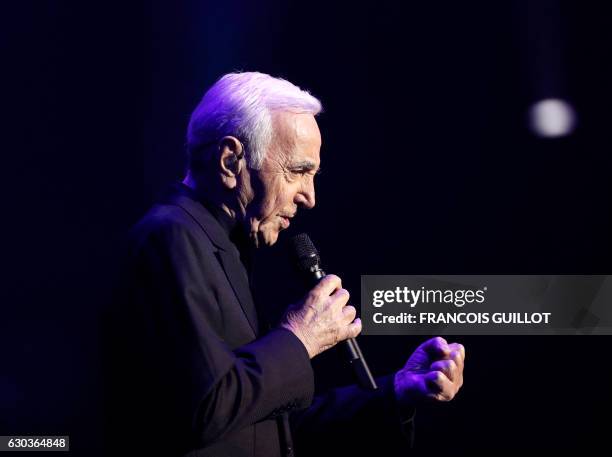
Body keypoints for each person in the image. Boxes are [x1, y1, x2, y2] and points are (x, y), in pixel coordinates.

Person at [104, 72, 465, 457]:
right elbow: (203, 409)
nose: (310, 197)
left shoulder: (224, 245)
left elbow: (266, 429)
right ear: (230, 161)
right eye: (298, 172)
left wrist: (396, 392)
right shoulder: (171, 238)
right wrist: (299, 338)